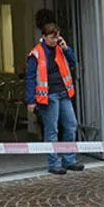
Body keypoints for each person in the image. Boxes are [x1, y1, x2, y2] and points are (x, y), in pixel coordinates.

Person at [26, 23, 84, 175]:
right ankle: (53, 163)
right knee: (52, 130)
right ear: (44, 37)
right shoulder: (36, 53)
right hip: (49, 96)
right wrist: (31, 100)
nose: (54, 40)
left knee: (71, 125)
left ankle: (69, 160)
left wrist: (66, 48)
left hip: (64, 93)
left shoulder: (60, 49)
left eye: (56, 37)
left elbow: (74, 62)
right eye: (52, 38)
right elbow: (30, 77)